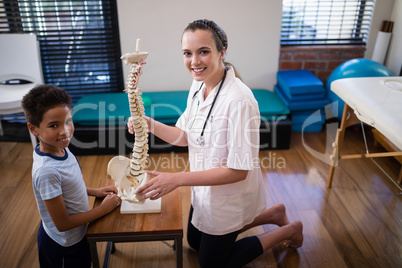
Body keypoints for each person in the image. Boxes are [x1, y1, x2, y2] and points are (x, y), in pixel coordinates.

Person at [128, 19, 303, 268]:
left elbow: (238, 171)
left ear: (222, 52)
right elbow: (185, 136)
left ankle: (289, 230)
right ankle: (273, 214)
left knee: (211, 264)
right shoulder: (199, 84)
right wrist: (150, 124)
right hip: (204, 189)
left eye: (203, 52)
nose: (194, 61)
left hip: (229, 194)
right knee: (196, 243)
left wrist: (176, 179)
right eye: (187, 53)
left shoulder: (240, 101)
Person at [22, 85, 120, 268]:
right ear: (33, 129)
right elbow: (63, 223)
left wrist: (94, 191)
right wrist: (103, 209)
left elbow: (69, 186)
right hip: (64, 246)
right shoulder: (47, 172)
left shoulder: (60, 148)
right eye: (54, 125)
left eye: (68, 121)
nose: (64, 131)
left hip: (78, 234)